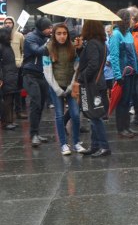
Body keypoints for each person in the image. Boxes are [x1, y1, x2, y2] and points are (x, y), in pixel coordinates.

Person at [42, 23, 85, 155]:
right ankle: (63, 144)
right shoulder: (47, 48)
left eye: (64, 33)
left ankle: (77, 142)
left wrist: (71, 85)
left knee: (76, 115)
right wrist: (57, 89)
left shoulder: (73, 47)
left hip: (70, 86)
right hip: (56, 87)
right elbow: (47, 71)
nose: (62, 36)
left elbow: (77, 67)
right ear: (54, 34)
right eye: (59, 33)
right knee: (59, 116)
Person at [77, 20, 111, 157]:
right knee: (93, 115)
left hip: (92, 85)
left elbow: (92, 65)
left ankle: (103, 146)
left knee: (95, 116)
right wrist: (80, 50)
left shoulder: (91, 44)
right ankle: (95, 145)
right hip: (99, 83)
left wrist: (81, 77)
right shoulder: (101, 43)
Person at [109, 8, 138, 138]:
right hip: (122, 74)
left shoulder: (128, 33)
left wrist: (137, 69)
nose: (132, 21)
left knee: (127, 101)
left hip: (131, 73)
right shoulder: (116, 35)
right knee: (122, 102)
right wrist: (117, 75)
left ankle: (126, 126)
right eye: (129, 18)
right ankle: (121, 128)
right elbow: (114, 56)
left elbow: (133, 54)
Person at [22, 17, 53, 146]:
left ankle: (37, 133)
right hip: (30, 74)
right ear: (41, 27)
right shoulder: (31, 37)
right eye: (48, 28)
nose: (50, 30)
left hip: (42, 74)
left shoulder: (45, 38)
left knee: (40, 104)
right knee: (35, 103)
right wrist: (49, 41)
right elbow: (38, 51)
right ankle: (33, 134)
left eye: (51, 27)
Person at [4, 16, 26, 119]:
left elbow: (23, 50)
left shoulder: (20, 36)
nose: (8, 24)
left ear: (13, 24)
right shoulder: (2, 36)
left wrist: (21, 61)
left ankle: (18, 111)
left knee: (18, 90)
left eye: (10, 22)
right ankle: (7, 115)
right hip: (6, 68)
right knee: (7, 92)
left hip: (17, 66)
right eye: (6, 23)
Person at [0, 27, 19, 130]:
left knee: (10, 99)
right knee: (7, 100)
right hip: (6, 76)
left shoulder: (7, 46)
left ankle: (10, 120)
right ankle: (6, 122)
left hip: (10, 75)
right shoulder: (2, 47)